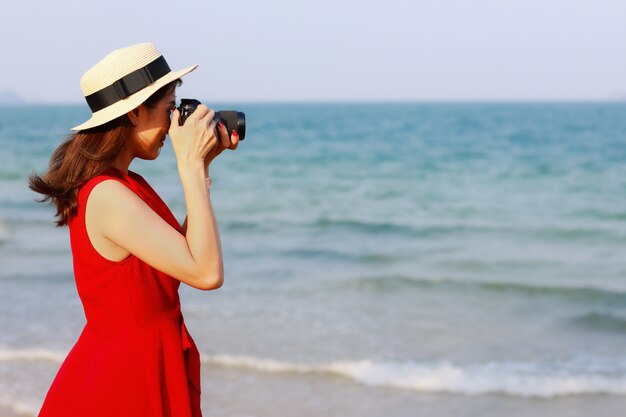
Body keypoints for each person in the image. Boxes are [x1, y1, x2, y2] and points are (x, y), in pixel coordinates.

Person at [29, 43, 237, 417]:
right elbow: (206, 273)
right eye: (169, 107)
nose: (175, 121)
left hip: (143, 358)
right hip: (126, 376)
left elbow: (190, 256)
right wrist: (188, 166)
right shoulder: (107, 193)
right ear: (136, 111)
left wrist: (202, 165)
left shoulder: (126, 183)